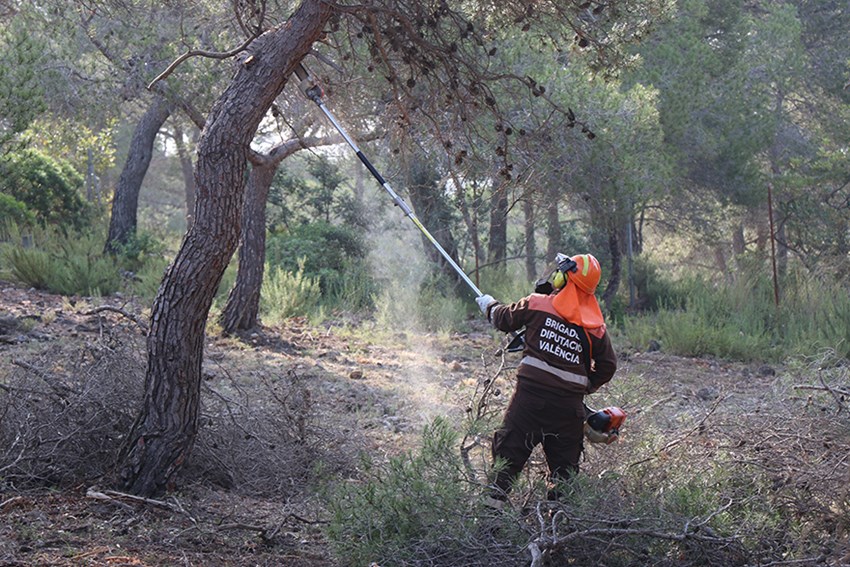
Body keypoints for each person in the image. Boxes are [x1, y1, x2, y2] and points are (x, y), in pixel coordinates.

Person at [476, 253, 617, 503]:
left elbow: (503, 319)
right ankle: (558, 522)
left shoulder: (537, 304)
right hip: (568, 411)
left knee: (506, 462)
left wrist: (489, 305)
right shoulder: (595, 327)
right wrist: (585, 385)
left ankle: (490, 519)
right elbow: (608, 366)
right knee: (564, 475)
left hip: (528, 403)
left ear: (563, 279)